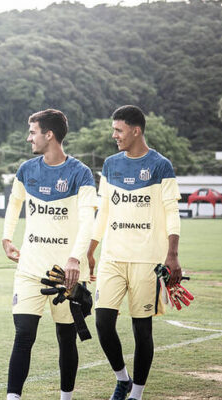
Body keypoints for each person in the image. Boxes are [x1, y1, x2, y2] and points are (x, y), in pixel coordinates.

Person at [87, 105, 182, 400]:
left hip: (147, 260)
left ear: (136, 130)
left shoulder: (160, 165)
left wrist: (173, 254)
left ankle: (136, 394)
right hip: (112, 258)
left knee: (142, 329)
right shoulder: (111, 164)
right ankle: (122, 379)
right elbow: (103, 212)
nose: (114, 135)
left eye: (118, 130)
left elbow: (172, 212)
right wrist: (90, 249)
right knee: (103, 322)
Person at [2, 109, 97, 400]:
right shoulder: (27, 170)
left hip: (65, 275)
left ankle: (66, 398)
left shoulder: (80, 173)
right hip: (30, 269)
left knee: (67, 338)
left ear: (49, 135)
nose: (29, 137)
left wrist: (74, 259)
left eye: (33, 132)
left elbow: (88, 220)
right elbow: (14, 202)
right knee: (24, 334)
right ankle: (12, 397)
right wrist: (7, 237)